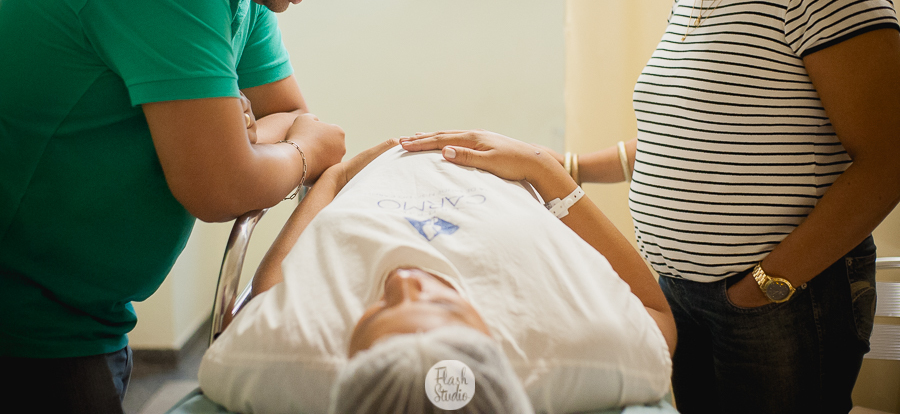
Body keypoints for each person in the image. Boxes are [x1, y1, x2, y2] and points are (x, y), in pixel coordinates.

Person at [0, 0, 385, 412]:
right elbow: (223, 186)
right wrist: (304, 152)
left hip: (89, 318)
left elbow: (288, 113)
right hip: (26, 324)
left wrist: (251, 138)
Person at [554, 0, 900, 413]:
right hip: (684, 297)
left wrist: (767, 285)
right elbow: (687, 140)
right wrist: (560, 166)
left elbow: (889, 158)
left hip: (777, 302)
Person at [198, 131, 677, 414]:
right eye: (444, 304)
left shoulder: (287, 361)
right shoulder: (582, 350)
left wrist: (337, 179)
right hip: (499, 170)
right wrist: (541, 168)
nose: (406, 281)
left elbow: (267, 304)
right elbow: (657, 310)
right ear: (495, 344)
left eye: (378, 309)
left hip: (370, 175)